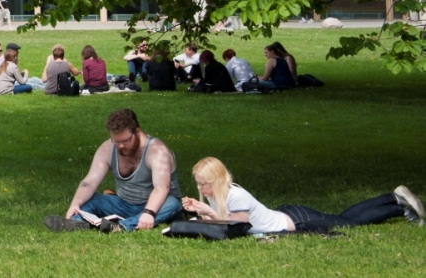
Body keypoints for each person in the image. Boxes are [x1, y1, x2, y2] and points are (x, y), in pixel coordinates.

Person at [183, 157, 424, 234]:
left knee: (350, 222)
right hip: (290, 214)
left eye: (203, 184)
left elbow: (236, 228)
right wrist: (200, 212)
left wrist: (207, 213)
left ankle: (398, 204)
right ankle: (395, 199)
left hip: (297, 221)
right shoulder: (219, 193)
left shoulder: (236, 195)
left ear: (215, 180)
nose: (200, 188)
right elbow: (221, 221)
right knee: (344, 217)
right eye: (198, 184)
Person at [46, 108, 183, 232]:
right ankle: (75, 222)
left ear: (137, 132)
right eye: (116, 141)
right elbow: (90, 181)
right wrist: (75, 205)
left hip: (157, 205)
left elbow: (161, 188)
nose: (120, 146)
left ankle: (122, 226)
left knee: (173, 204)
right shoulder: (107, 148)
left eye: (125, 141)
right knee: (91, 198)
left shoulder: (157, 151)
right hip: (123, 204)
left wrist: (149, 212)